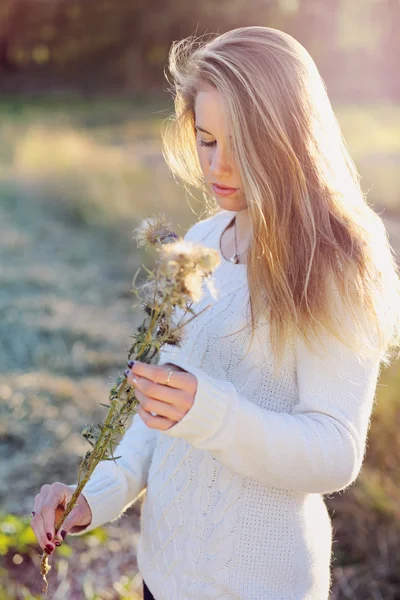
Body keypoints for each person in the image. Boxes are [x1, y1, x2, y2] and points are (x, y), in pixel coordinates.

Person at [30, 26, 400, 599]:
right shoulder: (201, 242)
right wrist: (93, 497)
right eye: (206, 141)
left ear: (289, 137)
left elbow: (335, 453)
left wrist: (210, 411)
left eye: (241, 143)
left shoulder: (336, 263)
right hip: (163, 576)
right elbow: (159, 415)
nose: (218, 167)